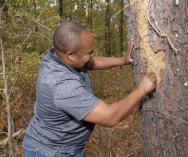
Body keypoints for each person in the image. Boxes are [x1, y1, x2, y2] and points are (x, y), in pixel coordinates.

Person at [22, 20, 157, 157]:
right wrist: (141, 90)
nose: (92, 56)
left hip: (63, 148)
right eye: (89, 53)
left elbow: (90, 62)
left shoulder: (57, 56)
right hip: (49, 152)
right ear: (70, 55)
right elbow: (110, 116)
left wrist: (123, 60)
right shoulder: (62, 86)